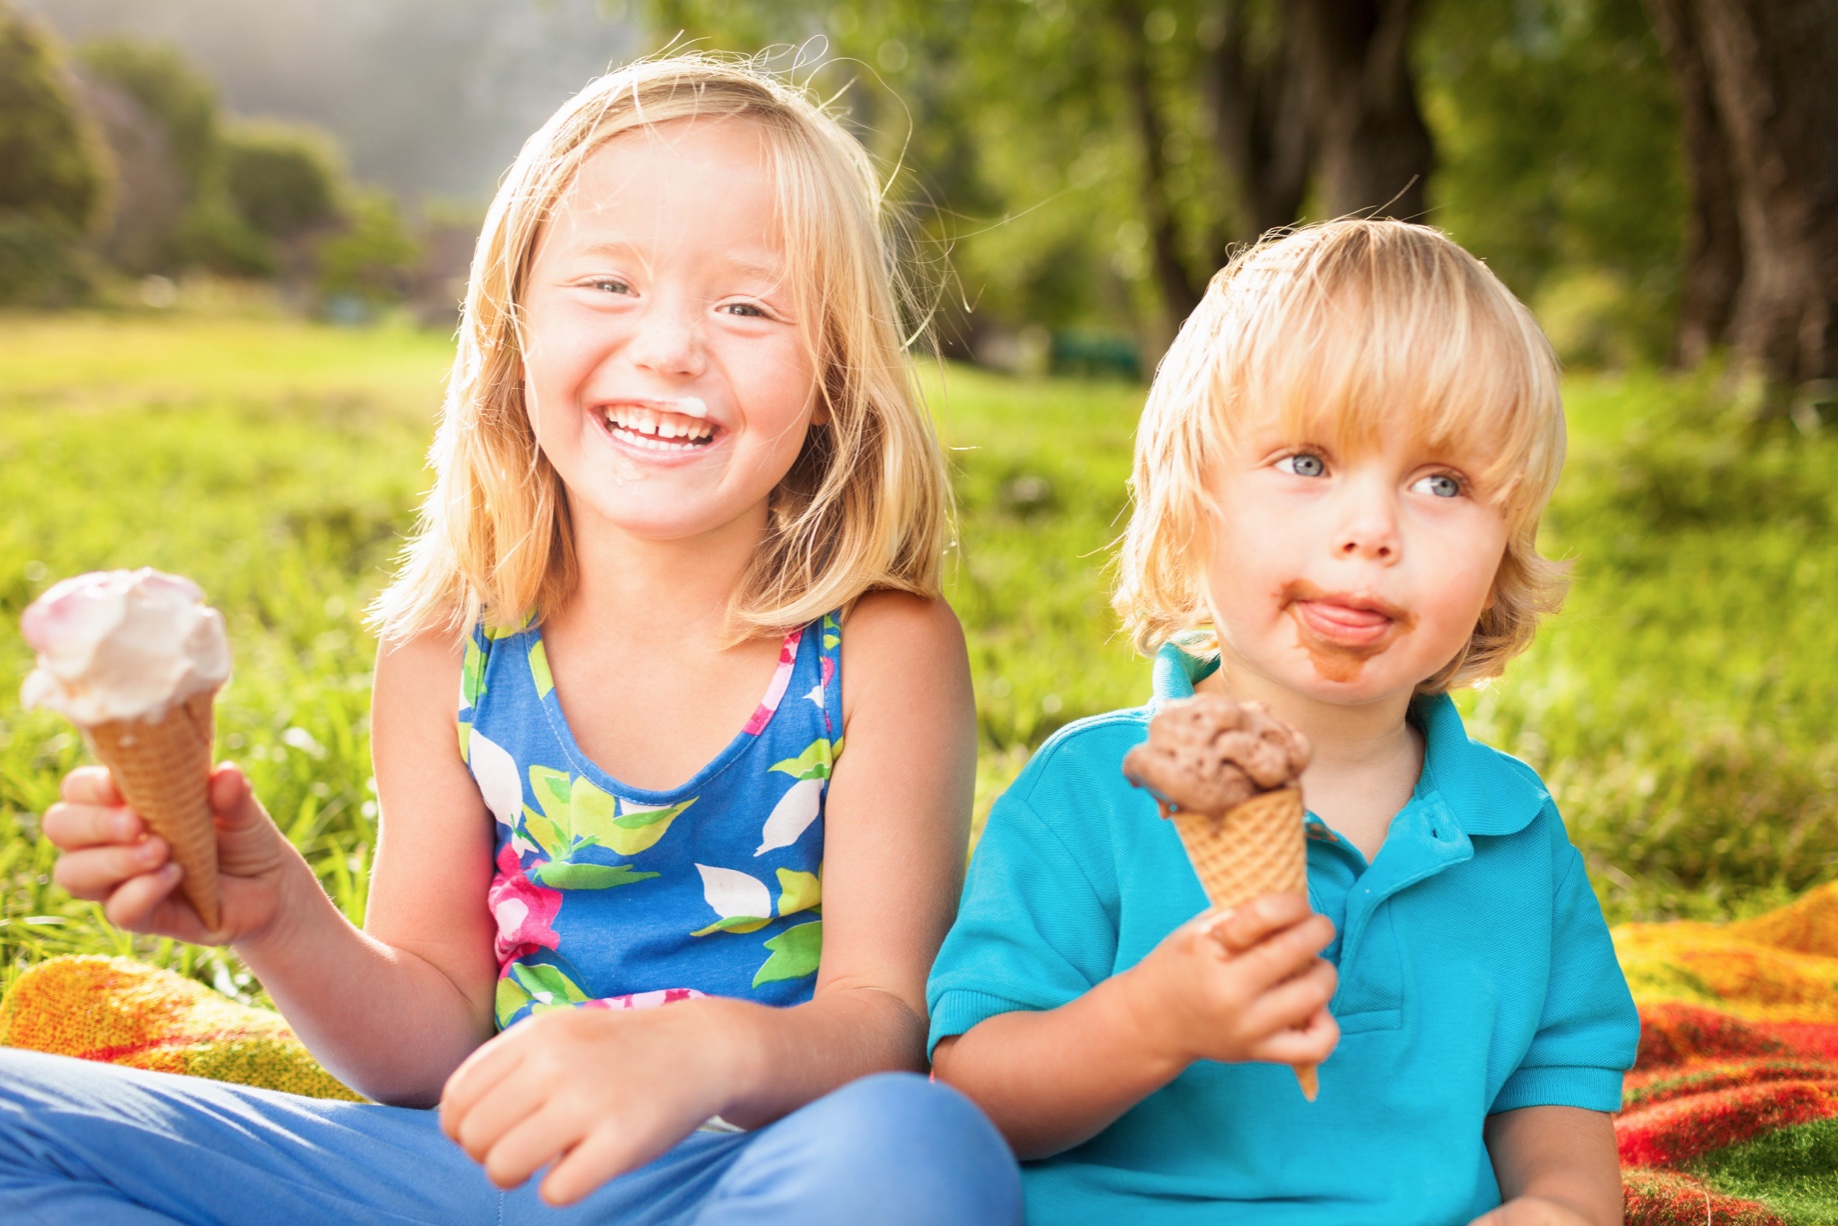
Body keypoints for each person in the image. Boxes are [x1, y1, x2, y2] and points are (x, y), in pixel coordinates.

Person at [0, 54, 1020, 1226]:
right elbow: (428, 1039)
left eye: (747, 305)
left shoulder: (880, 650)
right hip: (475, 1176)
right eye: (607, 283)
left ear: (835, 371)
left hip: (745, 1173)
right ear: (513, 325)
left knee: (924, 1141)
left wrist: (703, 1054)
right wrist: (271, 907)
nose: (673, 346)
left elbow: (879, 1021)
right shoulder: (449, 653)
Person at [926, 219, 1639, 1226]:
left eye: (1442, 483)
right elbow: (970, 1095)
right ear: (1193, 498)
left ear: (1502, 555)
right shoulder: (1086, 793)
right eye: (1306, 461)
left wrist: (1560, 1205)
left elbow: (1553, 1094)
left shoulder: (1513, 830)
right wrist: (1150, 1020)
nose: (1371, 529)